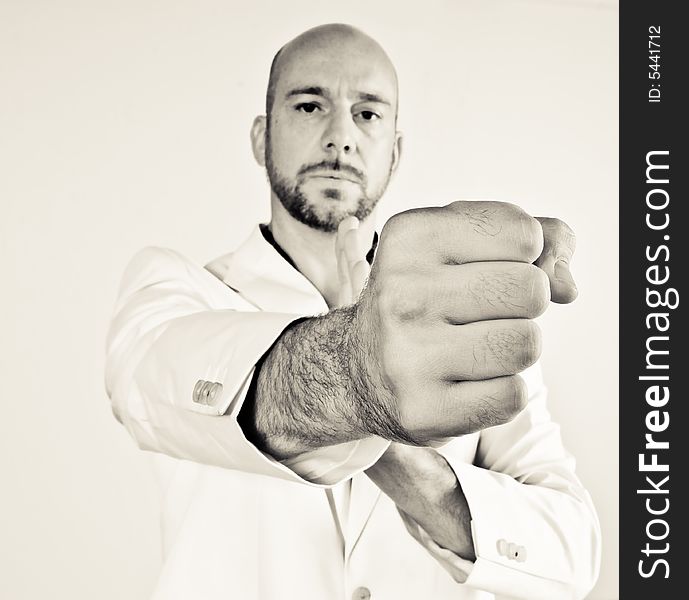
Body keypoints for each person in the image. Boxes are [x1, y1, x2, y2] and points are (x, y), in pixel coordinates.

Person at [105, 23, 601, 600]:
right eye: (311, 105)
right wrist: (355, 370)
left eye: (367, 114)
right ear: (262, 138)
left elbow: (571, 556)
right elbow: (150, 392)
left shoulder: (470, 323)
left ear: (394, 150)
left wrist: (421, 479)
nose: (340, 136)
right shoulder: (179, 291)